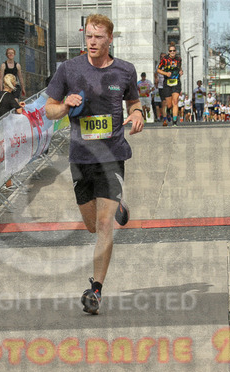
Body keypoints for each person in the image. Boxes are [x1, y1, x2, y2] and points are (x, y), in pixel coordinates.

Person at [45, 13, 143, 315]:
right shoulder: (68, 69)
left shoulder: (125, 70)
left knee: (103, 225)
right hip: (81, 157)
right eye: (88, 36)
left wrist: (137, 113)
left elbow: (134, 102)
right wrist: (65, 105)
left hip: (112, 155)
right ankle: (118, 205)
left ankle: (96, 290)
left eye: (98, 37)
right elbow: (49, 110)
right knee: (90, 226)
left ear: (109, 39)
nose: (92, 41)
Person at [156, 42, 183, 126]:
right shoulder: (165, 59)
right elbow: (158, 70)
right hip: (167, 83)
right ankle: (168, 111)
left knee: (175, 101)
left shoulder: (179, 59)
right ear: (168, 52)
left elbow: (179, 68)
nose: (172, 52)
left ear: (176, 51)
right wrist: (166, 73)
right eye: (171, 51)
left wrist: (181, 71)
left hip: (176, 82)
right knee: (169, 104)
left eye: (174, 51)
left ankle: (174, 121)